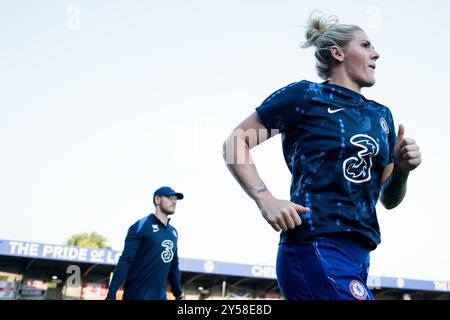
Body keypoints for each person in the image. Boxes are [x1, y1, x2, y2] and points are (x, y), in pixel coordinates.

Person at [222, 12, 421, 300]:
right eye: (365, 45)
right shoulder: (305, 96)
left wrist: (402, 170)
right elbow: (236, 142)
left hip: (360, 253)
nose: (375, 54)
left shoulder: (382, 116)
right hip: (314, 243)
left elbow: (388, 200)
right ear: (337, 53)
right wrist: (264, 198)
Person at [106, 186, 185, 300]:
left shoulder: (173, 232)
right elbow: (125, 260)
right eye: (170, 197)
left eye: (175, 199)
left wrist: (178, 294)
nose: (174, 202)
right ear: (157, 200)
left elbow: (173, 266)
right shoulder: (141, 226)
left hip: (160, 297)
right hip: (136, 296)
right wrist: (111, 294)